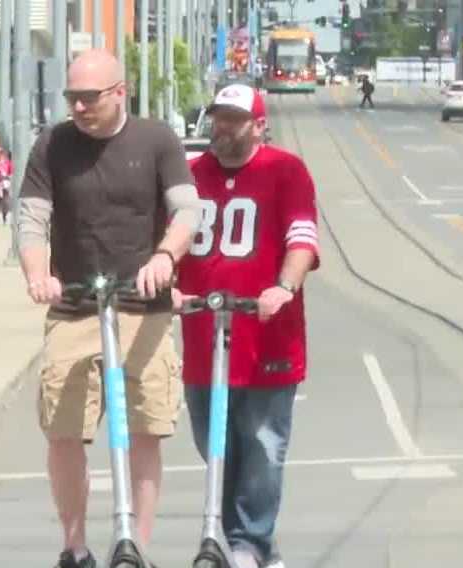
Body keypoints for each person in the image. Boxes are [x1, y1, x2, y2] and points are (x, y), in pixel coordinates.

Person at [17, 49, 202, 568]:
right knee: (63, 431)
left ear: (120, 92)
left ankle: (136, 544)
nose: (78, 107)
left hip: (144, 306)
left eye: (89, 97)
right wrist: (38, 274)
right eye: (71, 97)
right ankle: (74, 546)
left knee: (146, 429)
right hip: (75, 305)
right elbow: (32, 220)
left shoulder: (157, 139)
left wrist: (166, 255)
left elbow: (187, 209)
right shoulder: (52, 144)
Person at [174, 84, 320, 568]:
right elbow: (168, 240)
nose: (222, 128)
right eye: (218, 118)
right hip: (204, 336)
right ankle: (257, 542)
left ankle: (247, 544)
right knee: (213, 446)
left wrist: (283, 287)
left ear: (259, 125)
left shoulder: (285, 171)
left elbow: (301, 237)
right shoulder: (190, 176)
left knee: (261, 447)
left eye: (234, 120)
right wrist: (169, 286)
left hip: (267, 340)